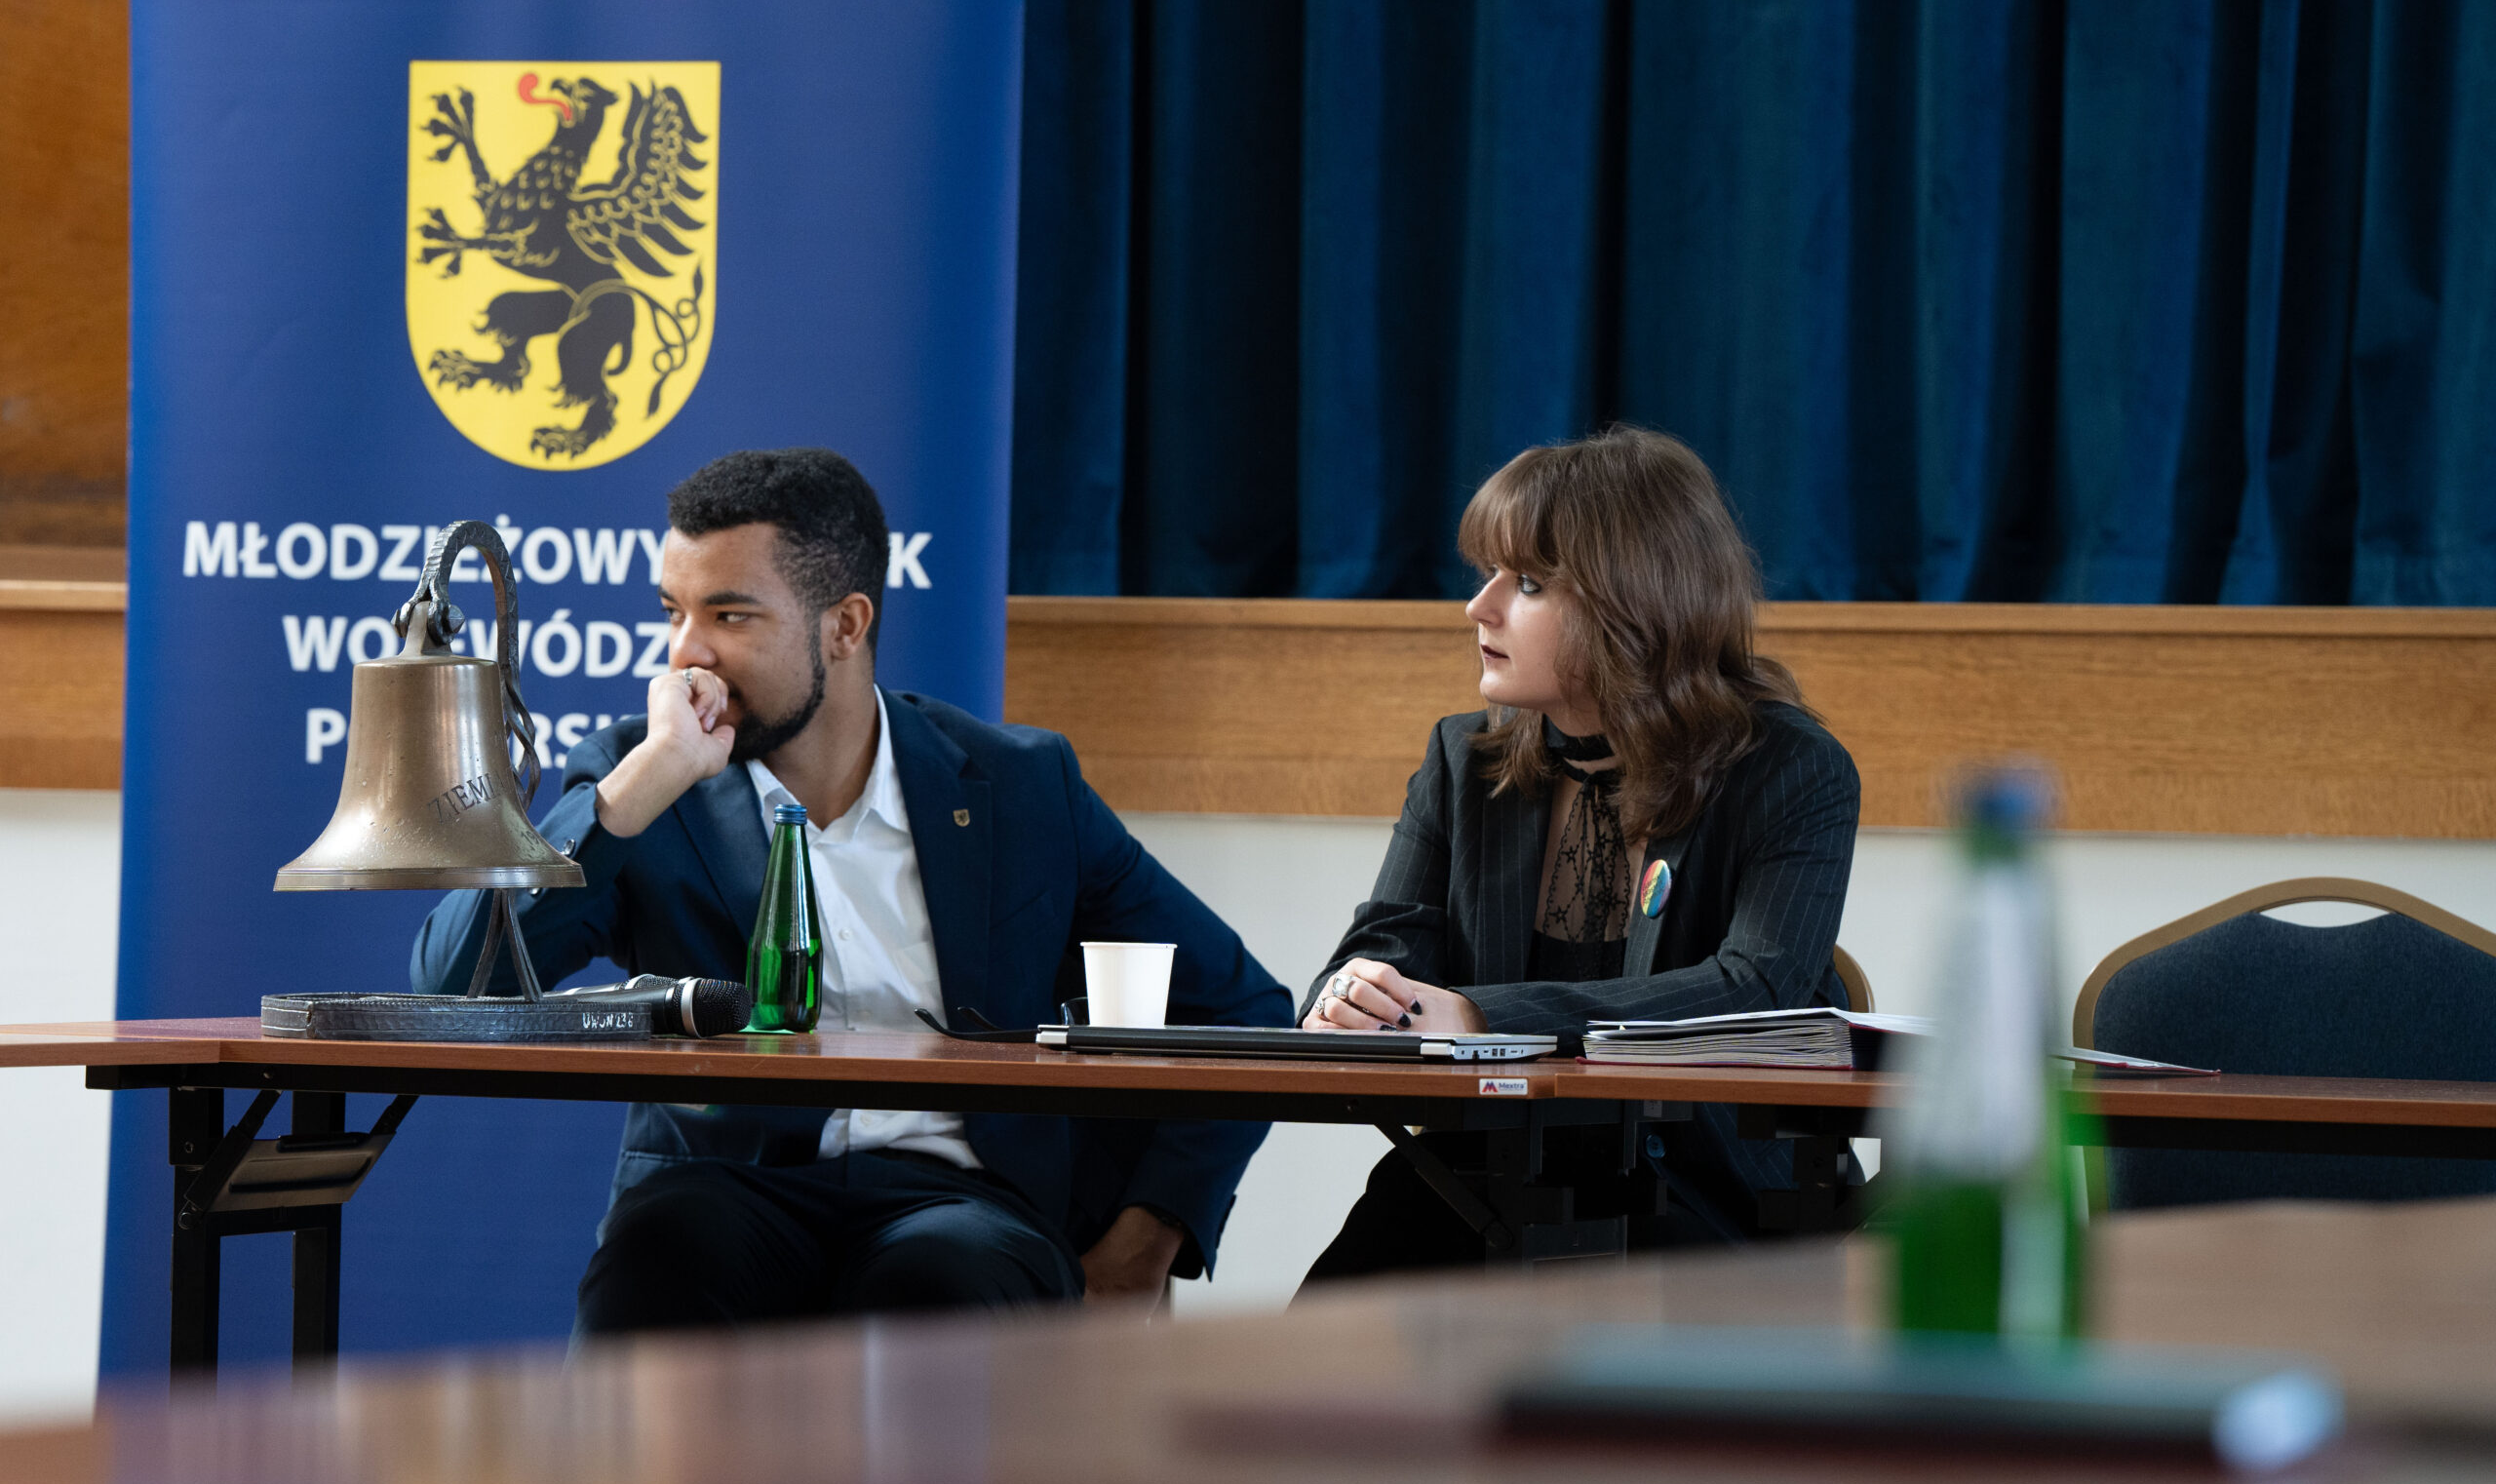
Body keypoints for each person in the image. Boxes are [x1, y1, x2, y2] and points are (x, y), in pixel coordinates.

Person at [411, 447, 1288, 1331]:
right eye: (674, 612)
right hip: (727, 1184)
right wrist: (640, 787)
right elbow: (454, 988)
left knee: (935, 1285)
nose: (686, 654)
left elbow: (1239, 1004)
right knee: (660, 1255)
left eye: (729, 614)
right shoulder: (640, 781)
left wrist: (1143, 1246)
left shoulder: (1021, 784)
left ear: (846, 624)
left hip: (963, 1201)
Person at [1299, 426, 1860, 1280]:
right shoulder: (1463, 760)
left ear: (1633, 604)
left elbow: (1753, 992)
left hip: (1701, 1194)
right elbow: (1386, 945)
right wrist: (1357, 996)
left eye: (1527, 583)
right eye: (1488, 573)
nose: (1479, 607)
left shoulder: (1790, 768)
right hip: (1483, 1183)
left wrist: (1482, 1017)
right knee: (1336, 1323)